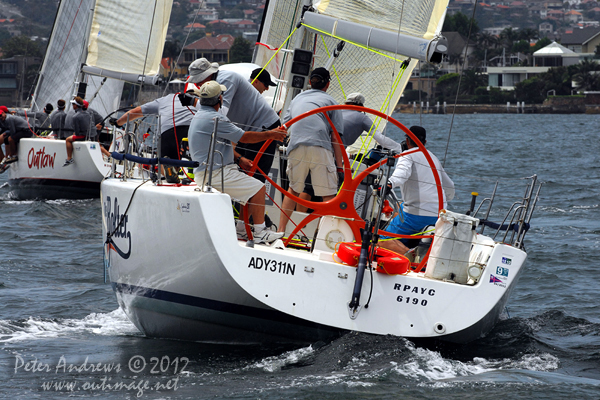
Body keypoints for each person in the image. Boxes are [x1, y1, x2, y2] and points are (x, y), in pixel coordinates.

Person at [188, 81, 287, 244]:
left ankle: (241, 228)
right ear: (219, 99)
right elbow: (244, 137)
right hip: (215, 173)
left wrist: (239, 159)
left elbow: (220, 144)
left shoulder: (200, 116)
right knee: (258, 188)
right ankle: (260, 232)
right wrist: (271, 134)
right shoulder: (216, 118)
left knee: (248, 185)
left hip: (207, 172)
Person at [185, 58, 281, 183]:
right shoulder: (212, 86)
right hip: (246, 130)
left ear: (208, 75)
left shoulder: (225, 80)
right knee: (240, 172)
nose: (198, 85)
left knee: (256, 179)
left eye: (199, 80)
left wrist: (193, 101)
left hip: (265, 126)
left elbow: (220, 114)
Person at [277, 67, 345, 233]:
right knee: (328, 195)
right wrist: (340, 167)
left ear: (309, 82)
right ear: (327, 84)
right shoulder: (331, 102)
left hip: (296, 145)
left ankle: (280, 232)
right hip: (320, 147)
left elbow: (283, 128)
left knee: (293, 190)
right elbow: (336, 138)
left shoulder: (297, 99)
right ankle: (323, 237)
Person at [379, 126, 455, 254]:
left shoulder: (407, 155)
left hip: (416, 216)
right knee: (401, 208)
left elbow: (401, 174)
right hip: (439, 215)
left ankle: (410, 255)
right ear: (425, 143)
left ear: (407, 141)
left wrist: (389, 184)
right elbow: (450, 186)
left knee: (379, 240)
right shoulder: (433, 157)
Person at [114, 88, 199, 160]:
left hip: (168, 131)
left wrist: (118, 123)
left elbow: (133, 112)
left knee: (164, 160)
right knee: (195, 157)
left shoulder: (165, 100)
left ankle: (168, 170)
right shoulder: (200, 102)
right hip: (192, 130)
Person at [0, 107, 33, 172]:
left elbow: (13, 131)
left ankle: (11, 156)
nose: (0, 117)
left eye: (0, 115)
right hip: (19, 130)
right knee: (7, 139)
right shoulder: (3, 120)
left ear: (4, 113)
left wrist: (7, 134)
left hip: (26, 131)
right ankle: (5, 159)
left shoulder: (9, 119)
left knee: (10, 139)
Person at [63, 96, 92, 166]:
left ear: (76, 105)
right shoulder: (88, 114)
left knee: (67, 139)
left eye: (73, 104)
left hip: (81, 136)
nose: (72, 106)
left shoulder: (75, 116)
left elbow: (77, 132)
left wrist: (75, 134)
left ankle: (69, 158)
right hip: (88, 135)